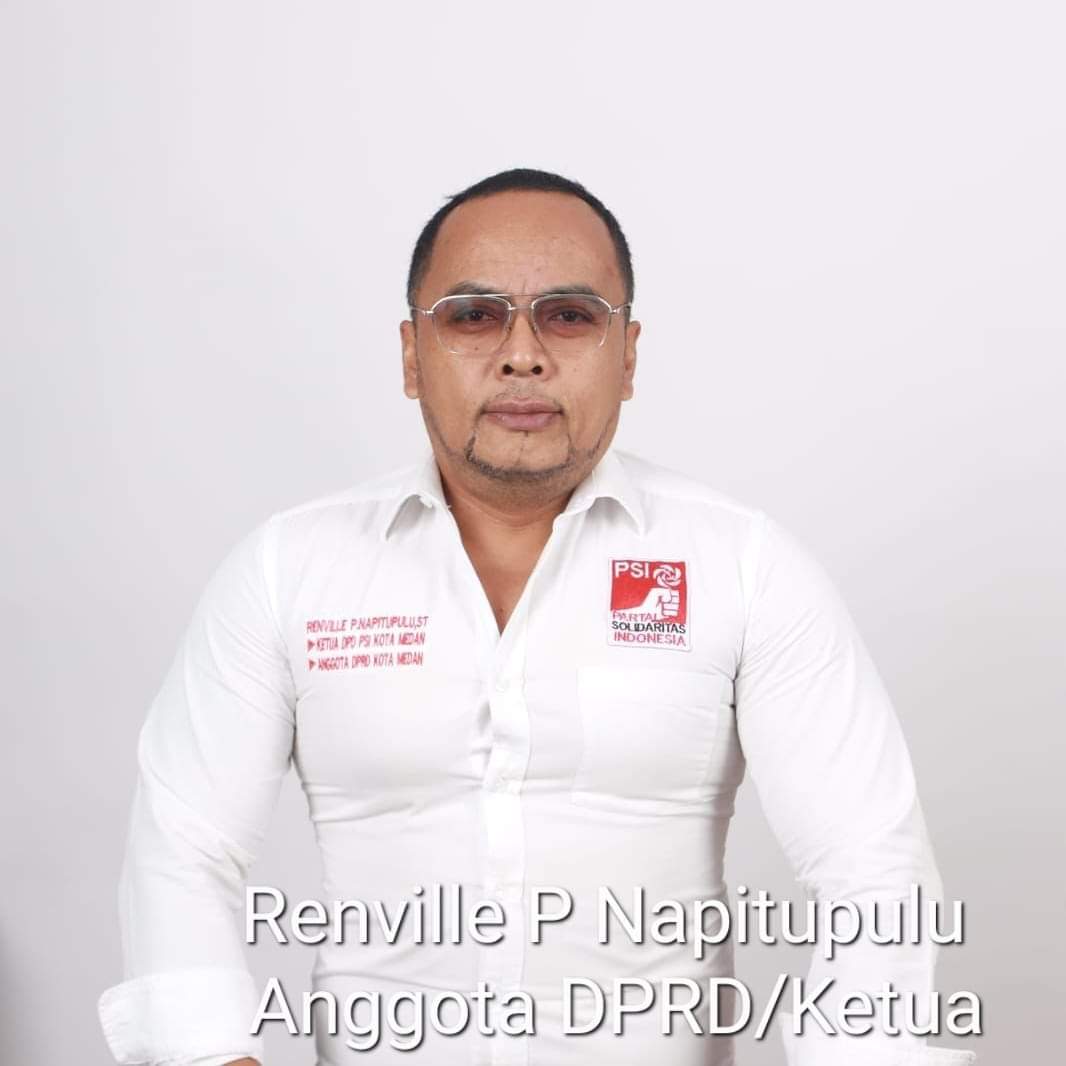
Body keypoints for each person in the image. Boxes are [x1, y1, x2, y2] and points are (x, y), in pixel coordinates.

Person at [97, 169, 976, 1065]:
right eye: (474, 316)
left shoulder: (745, 567)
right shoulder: (289, 570)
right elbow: (182, 849)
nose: (522, 355)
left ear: (627, 356)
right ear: (411, 356)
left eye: (569, 315)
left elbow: (871, 866)